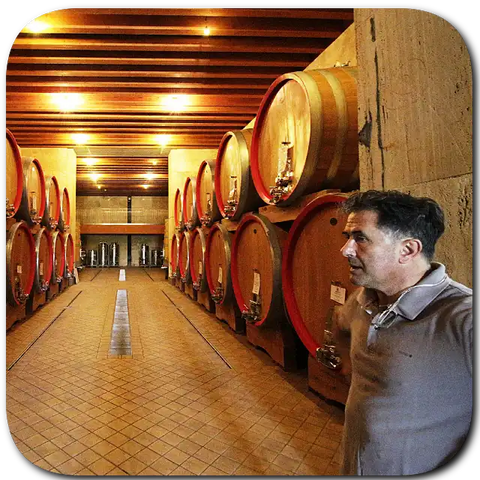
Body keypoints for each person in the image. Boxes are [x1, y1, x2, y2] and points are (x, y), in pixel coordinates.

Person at [333, 190, 472, 476]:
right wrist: (351, 368)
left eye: (360, 238)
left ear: (407, 250)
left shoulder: (462, 317)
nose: (345, 249)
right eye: (348, 237)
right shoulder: (364, 298)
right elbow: (340, 323)